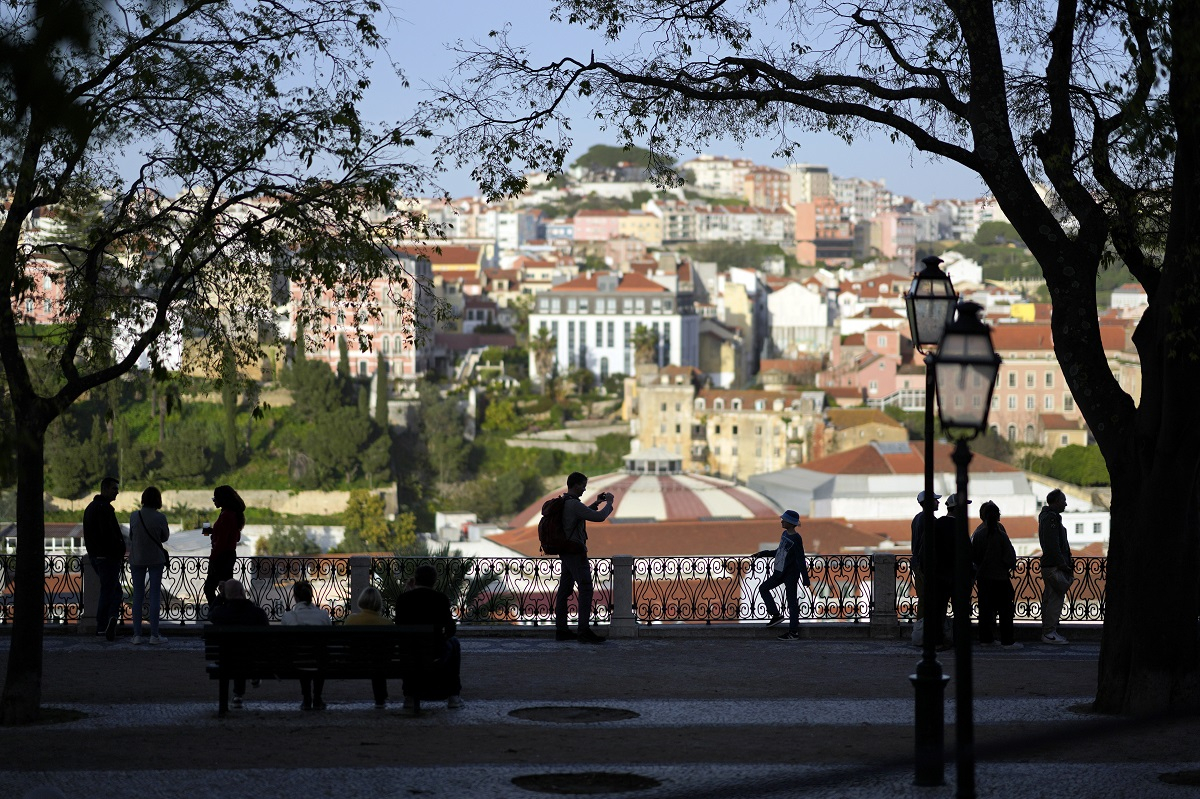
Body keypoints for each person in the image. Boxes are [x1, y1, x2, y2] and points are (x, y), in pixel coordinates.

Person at [555, 472, 614, 644]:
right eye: (582, 485)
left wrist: (595, 503)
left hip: (566, 551)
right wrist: (609, 503)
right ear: (574, 485)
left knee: (565, 591)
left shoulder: (566, 502)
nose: (584, 488)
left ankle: (562, 630)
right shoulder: (573, 504)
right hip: (575, 552)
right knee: (586, 588)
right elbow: (600, 517)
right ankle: (583, 631)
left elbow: (584, 513)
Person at [394, 564, 463, 710]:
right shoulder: (440, 599)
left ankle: (409, 696)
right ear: (434, 581)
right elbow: (451, 629)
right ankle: (454, 696)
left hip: (409, 654)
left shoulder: (403, 599)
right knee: (454, 643)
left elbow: (399, 626)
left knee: (410, 652)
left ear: (415, 580)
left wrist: (409, 593)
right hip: (435, 653)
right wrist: (443, 638)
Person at [208, 578, 268, 708]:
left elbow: (209, 614)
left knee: (234, 652)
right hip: (254, 660)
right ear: (242, 592)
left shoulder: (220, 613)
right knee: (245, 652)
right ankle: (248, 680)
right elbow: (266, 639)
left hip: (226, 660)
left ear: (226, 595)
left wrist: (220, 596)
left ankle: (237, 695)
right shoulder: (258, 613)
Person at [754, 509, 811, 641]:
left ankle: (793, 632)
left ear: (790, 523)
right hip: (780, 572)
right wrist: (762, 553)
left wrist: (805, 578)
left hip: (791, 574)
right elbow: (779, 552)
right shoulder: (785, 534)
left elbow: (800, 558)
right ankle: (776, 615)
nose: (781, 521)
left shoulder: (796, 538)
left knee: (791, 602)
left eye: (784, 520)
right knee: (763, 588)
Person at [971, 500, 1021, 649]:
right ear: (997, 516)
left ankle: (986, 639)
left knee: (985, 611)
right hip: (1000, 578)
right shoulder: (1001, 535)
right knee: (1005, 611)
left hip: (984, 578)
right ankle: (1007, 640)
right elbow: (1010, 558)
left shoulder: (978, 534)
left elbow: (974, 556)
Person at [83, 477, 125, 642]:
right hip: (107, 557)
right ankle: (106, 623)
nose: (117, 492)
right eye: (114, 488)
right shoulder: (104, 509)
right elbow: (108, 535)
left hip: (96, 556)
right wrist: (117, 550)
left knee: (111, 590)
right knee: (112, 591)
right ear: (106, 489)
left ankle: (107, 623)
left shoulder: (91, 508)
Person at [128, 486, 171, 645]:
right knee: (154, 596)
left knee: (137, 596)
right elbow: (164, 538)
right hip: (155, 559)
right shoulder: (160, 517)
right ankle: (154, 635)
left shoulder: (134, 516)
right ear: (158, 500)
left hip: (137, 558)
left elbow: (132, 536)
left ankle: (137, 635)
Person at [281, 581, 332, 710]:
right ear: (311, 596)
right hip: (320, 661)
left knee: (302, 654)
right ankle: (317, 697)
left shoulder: (288, 617)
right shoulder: (323, 615)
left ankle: (306, 698)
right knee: (318, 654)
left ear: (295, 597)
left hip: (298, 662)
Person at [928, 493, 969, 650]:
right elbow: (967, 552)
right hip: (956, 575)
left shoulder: (937, 525)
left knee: (938, 610)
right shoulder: (960, 527)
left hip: (939, 574)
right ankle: (960, 641)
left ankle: (937, 641)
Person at [345, 585, 392, 709]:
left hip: (355, 662)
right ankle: (380, 698)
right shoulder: (387, 623)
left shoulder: (350, 620)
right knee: (378, 659)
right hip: (380, 664)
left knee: (375, 659)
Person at [1039, 489, 1073, 645]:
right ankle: (1049, 632)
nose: (1065, 503)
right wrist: (1062, 564)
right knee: (1055, 599)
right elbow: (1053, 545)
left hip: (1050, 565)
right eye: (1063, 500)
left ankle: (1048, 630)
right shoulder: (1051, 519)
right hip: (1054, 566)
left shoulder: (1047, 518)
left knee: (1050, 598)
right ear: (1056, 501)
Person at [203, 485, 245, 609]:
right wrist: (214, 531)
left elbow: (222, 542)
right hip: (228, 556)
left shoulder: (226, 516)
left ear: (222, 499)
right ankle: (227, 613)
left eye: (215, 498)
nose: (214, 500)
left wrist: (212, 559)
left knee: (210, 589)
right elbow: (233, 537)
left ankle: (218, 612)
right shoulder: (231, 514)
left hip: (221, 557)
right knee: (226, 589)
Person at [910, 490, 941, 647]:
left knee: (923, 600)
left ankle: (920, 633)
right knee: (930, 600)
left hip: (917, 563)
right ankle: (927, 634)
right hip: (925, 565)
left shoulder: (917, 518)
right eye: (935, 500)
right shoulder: (930, 520)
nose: (938, 502)